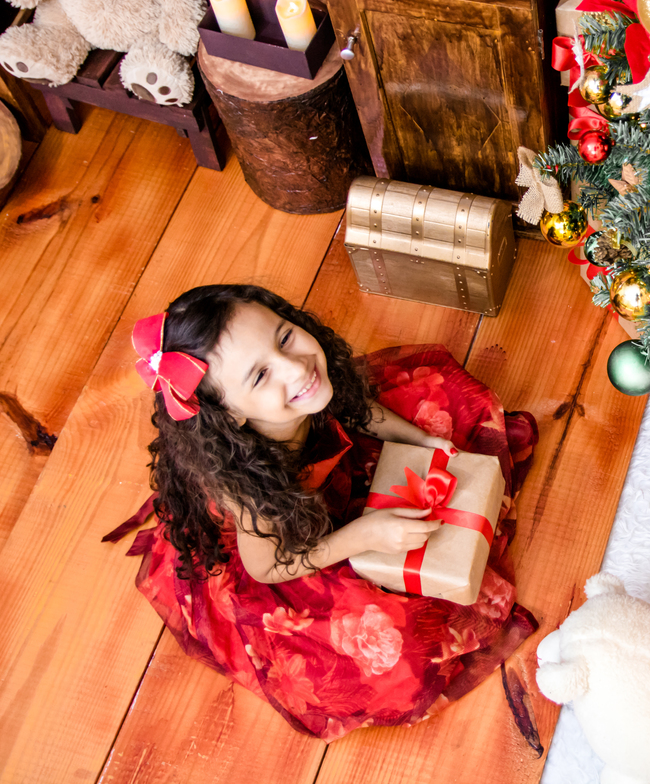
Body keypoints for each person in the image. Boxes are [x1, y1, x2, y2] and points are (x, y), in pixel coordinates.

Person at [104, 284, 539, 741]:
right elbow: (268, 567)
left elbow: (355, 410)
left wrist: (419, 439)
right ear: (230, 416)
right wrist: (364, 536)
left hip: (326, 477)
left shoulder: (308, 388)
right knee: (392, 647)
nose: (296, 367)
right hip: (289, 541)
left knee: (445, 406)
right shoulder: (247, 491)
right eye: (260, 375)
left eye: (285, 337)